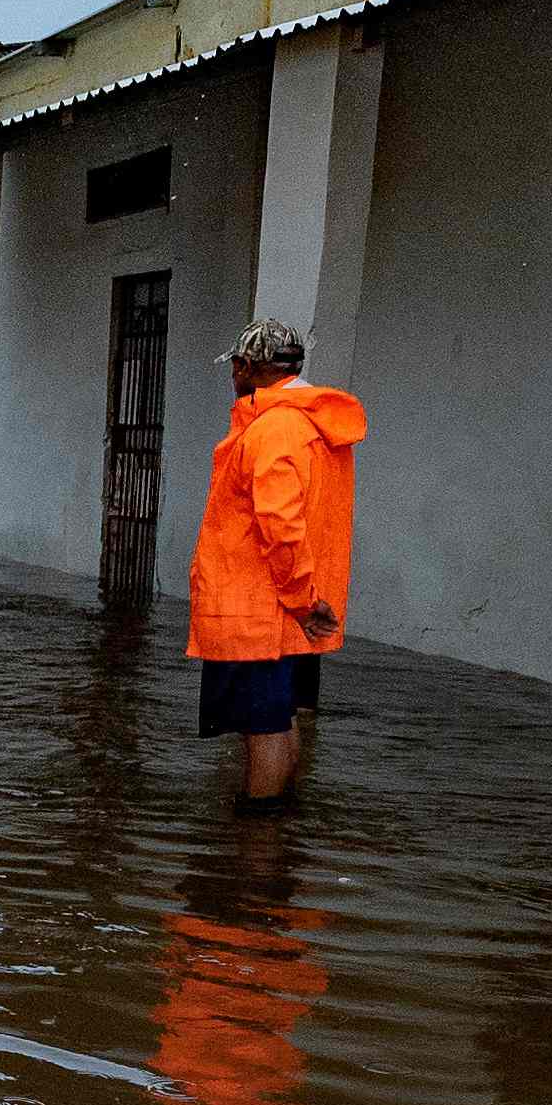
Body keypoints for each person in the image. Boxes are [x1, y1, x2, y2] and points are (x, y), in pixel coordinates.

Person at [185, 319, 365, 807]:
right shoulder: (315, 425)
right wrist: (308, 604)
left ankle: (255, 846)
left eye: (237, 367)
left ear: (247, 367)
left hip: (260, 611)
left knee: (261, 727)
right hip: (294, 610)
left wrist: (300, 600)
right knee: (282, 720)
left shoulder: (274, 429)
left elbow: (280, 528)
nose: (234, 376)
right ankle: (277, 838)